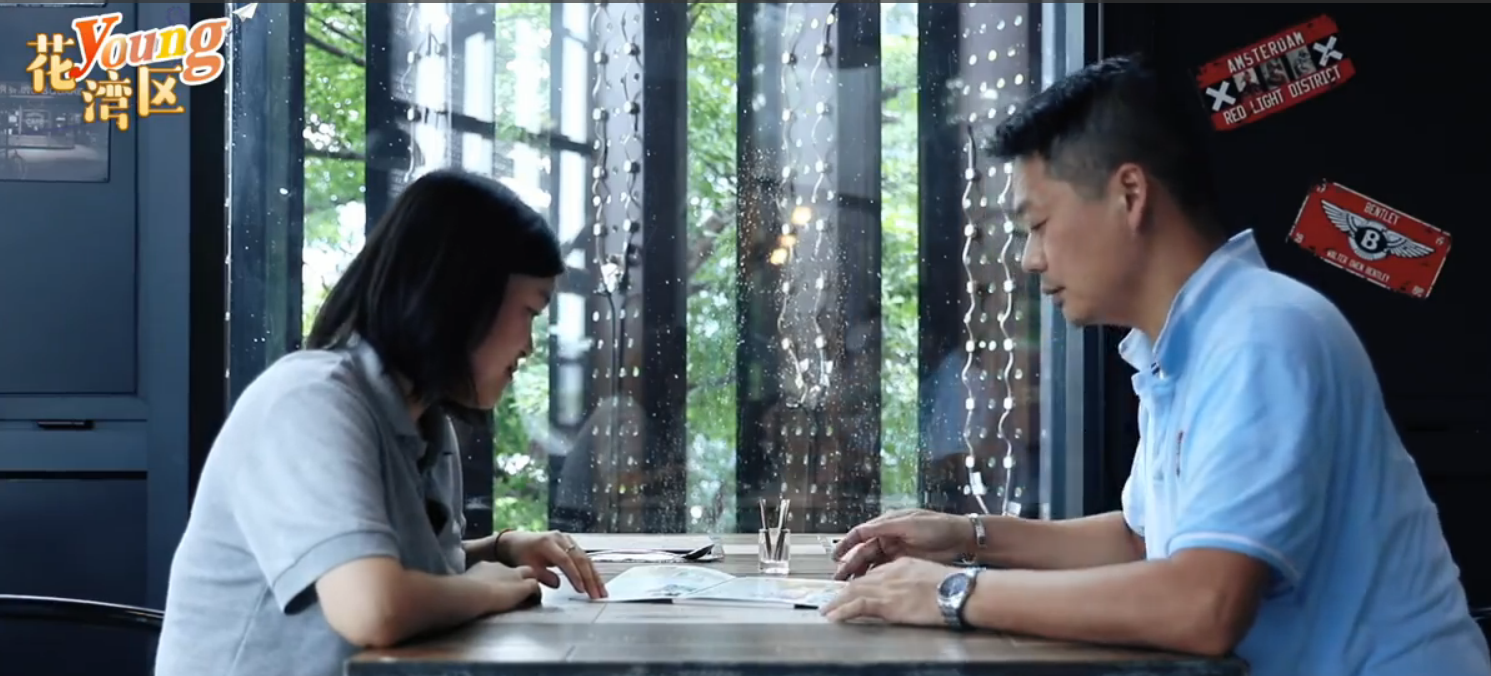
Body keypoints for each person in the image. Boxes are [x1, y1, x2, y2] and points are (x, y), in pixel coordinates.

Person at [821, 56, 1490, 676]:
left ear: (1130, 194)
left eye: (1038, 224)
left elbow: (1202, 605)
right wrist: (964, 536)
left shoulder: (1261, 335)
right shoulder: (1192, 339)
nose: (1029, 259)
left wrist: (951, 592)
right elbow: (1144, 542)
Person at [155, 169, 608, 676]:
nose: (529, 346)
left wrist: (499, 549)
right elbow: (372, 607)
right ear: (461, 296)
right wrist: (483, 589)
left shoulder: (424, 422)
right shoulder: (310, 403)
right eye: (530, 311)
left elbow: (398, 567)